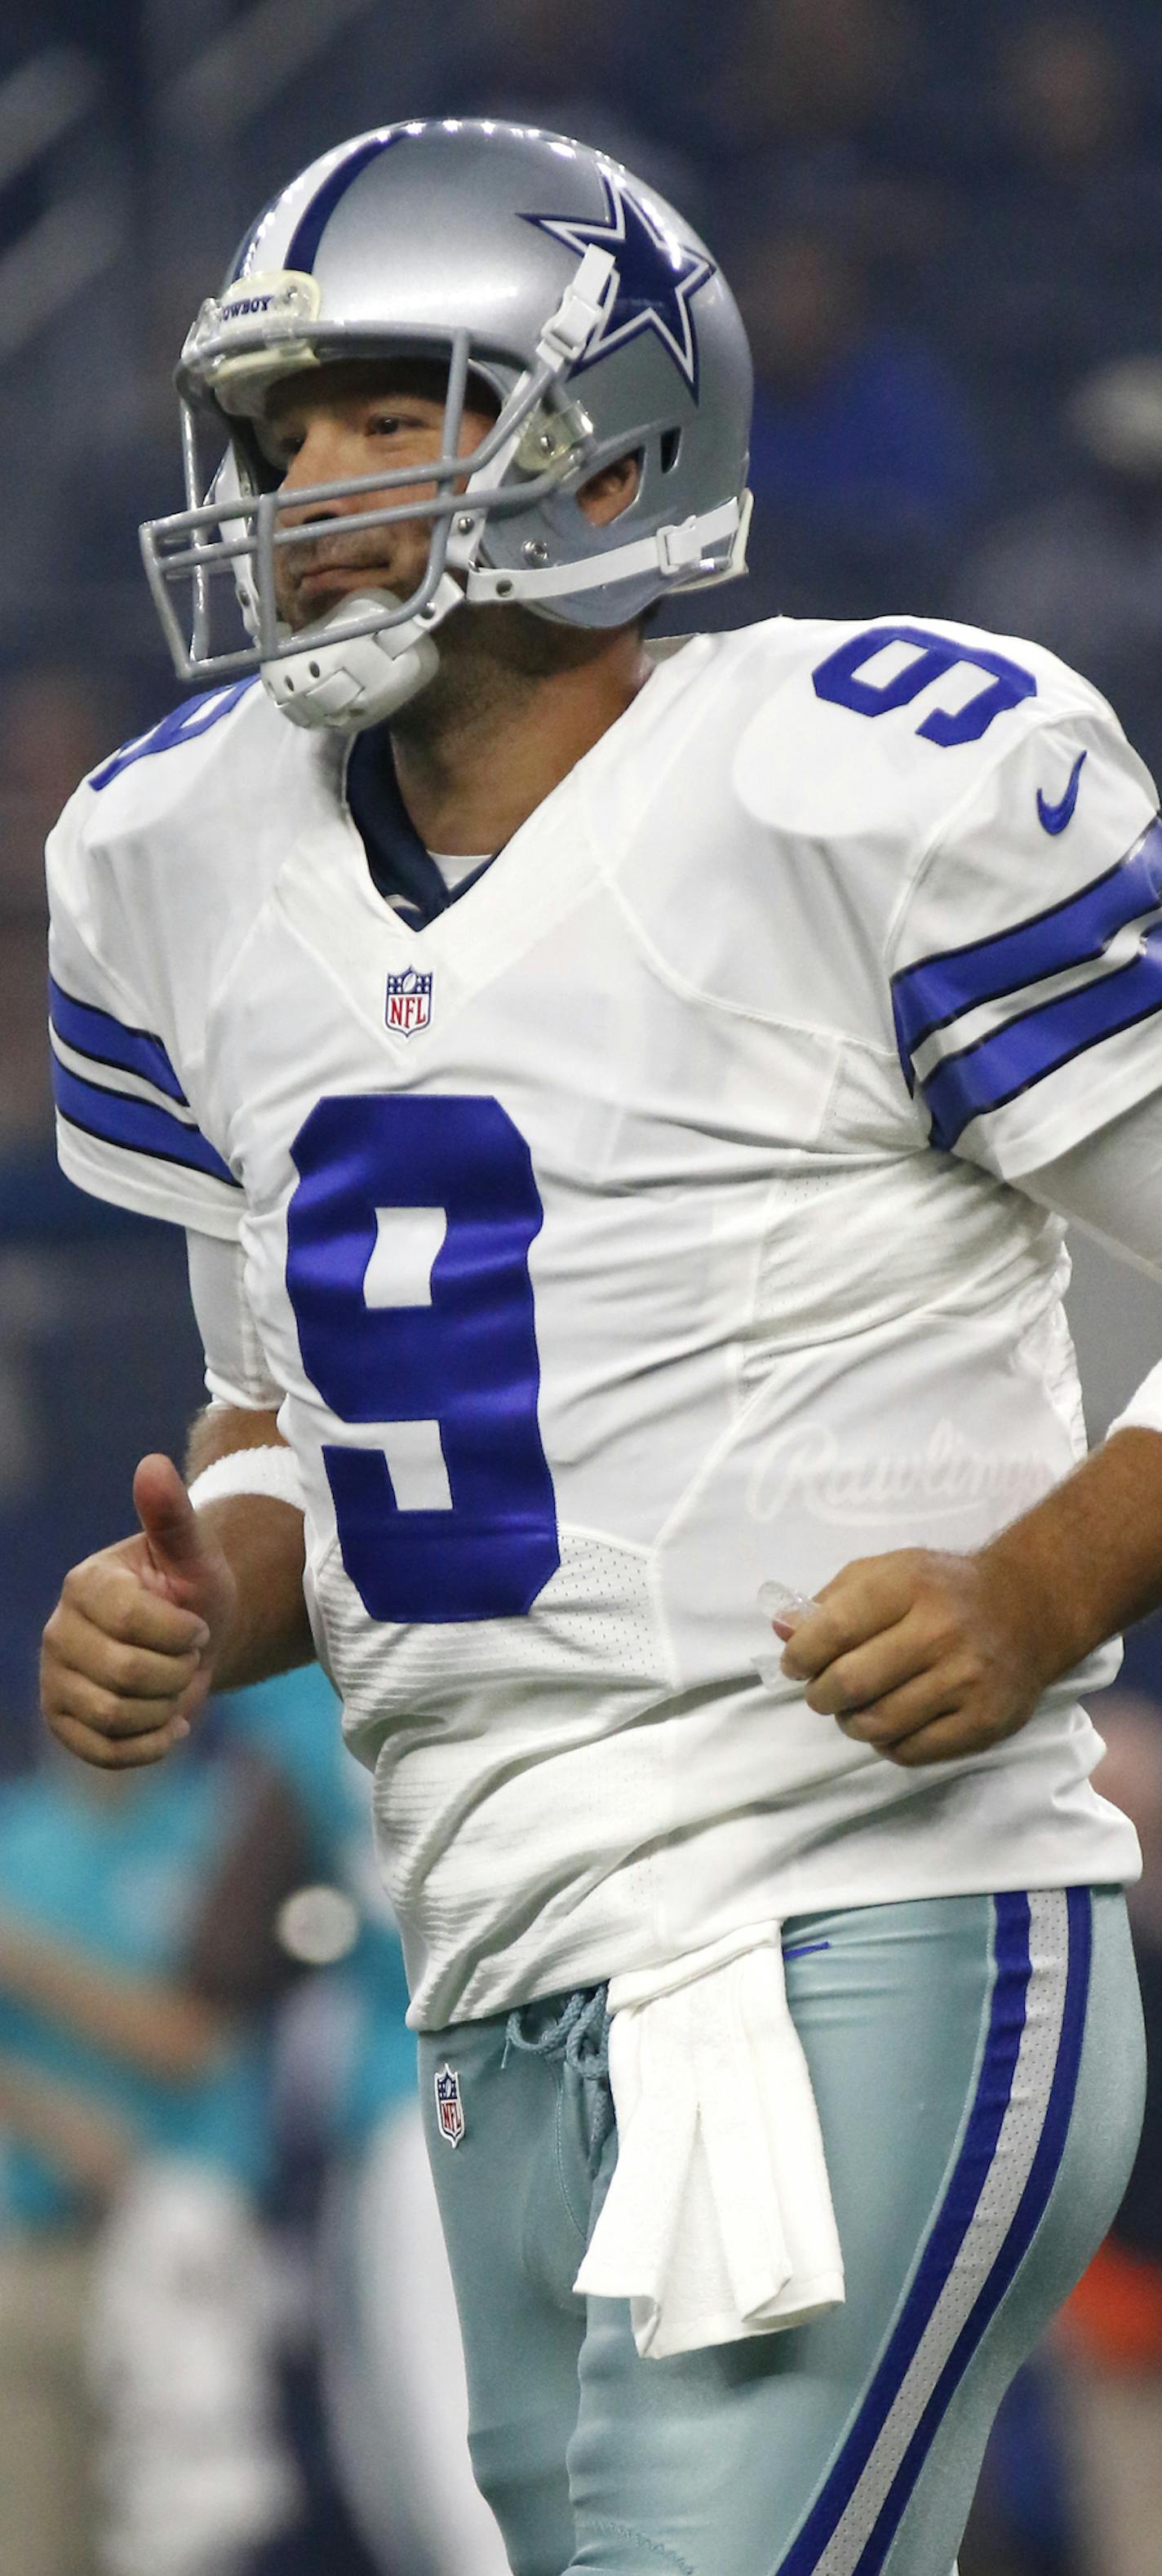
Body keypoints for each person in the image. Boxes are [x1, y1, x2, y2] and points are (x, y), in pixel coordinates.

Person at [34, 118, 1162, 2576]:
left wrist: (1042, 1583)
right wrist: (196, 1599)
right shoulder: (170, 854)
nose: (303, 482)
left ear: (614, 434)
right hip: (488, 1959)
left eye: (384, 411)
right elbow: (281, 1423)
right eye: (276, 428)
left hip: (853, 1915)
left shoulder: (866, 775)